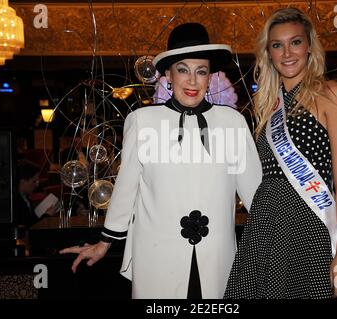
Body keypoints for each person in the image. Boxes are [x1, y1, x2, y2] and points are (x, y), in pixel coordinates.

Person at [60, 22, 262, 299]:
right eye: (183, 70)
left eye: (200, 71)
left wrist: (287, 241)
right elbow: (127, 188)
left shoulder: (233, 123)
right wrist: (104, 242)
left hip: (217, 257)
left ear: (210, 77)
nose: (192, 81)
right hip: (156, 258)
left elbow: (257, 196)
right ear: (168, 74)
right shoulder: (142, 121)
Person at [224, 8, 337, 299]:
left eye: (295, 42)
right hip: (266, 227)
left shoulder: (331, 93)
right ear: (268, 53)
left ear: (309, 47)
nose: (287, 53)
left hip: (312, 227)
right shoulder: (267, 105)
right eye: (277, 45)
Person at [15, 159, 59, 227]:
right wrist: (47, 215)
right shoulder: (16, 203)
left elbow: (33, 220)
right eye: (34, 181)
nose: (37, 184)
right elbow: (31, 226)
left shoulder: (25, 197)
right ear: (23, 182)